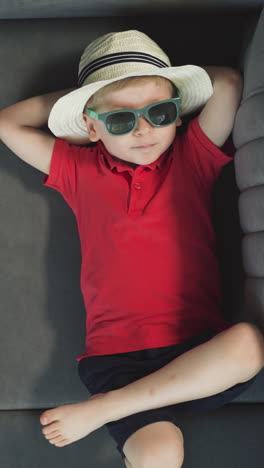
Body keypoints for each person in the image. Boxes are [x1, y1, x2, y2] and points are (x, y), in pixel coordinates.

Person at [0, 29, 263, 468]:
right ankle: (123, 403)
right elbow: (7, 123)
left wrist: (151, 92)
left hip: (197, 353)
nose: (143, 130)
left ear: (178, 114)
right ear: (90, 127)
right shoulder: (78, 169)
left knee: (250, 342)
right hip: (116, 360)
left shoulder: (191, 157)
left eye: (159, 112)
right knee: (160, 454)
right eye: (121, 120)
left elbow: (230, 84)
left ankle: (108, 408)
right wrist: (89, 101)